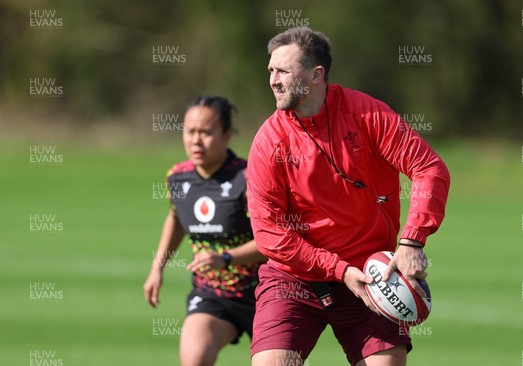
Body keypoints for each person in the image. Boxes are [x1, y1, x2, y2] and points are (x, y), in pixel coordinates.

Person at [246, 27, 450, 366]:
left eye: (282, 70)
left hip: (373, 276)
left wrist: (412, 241)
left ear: (316, 75)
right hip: (294, 278)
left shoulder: (367, 114)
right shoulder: (269, 142)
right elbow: (268, 234)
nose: (273, 80)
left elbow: (429, 168)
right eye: (270, 70)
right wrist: (338, 270)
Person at [143, 96, 265, 366]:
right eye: (190, 132)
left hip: (265, 292)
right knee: (194, 359)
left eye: (206, 132)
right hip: (212, 293)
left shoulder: (249, 178)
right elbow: (176, 217)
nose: (196, 140)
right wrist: (157, 268)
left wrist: (226, 258)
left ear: (227, 135)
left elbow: (271, 242)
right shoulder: (177, 177)